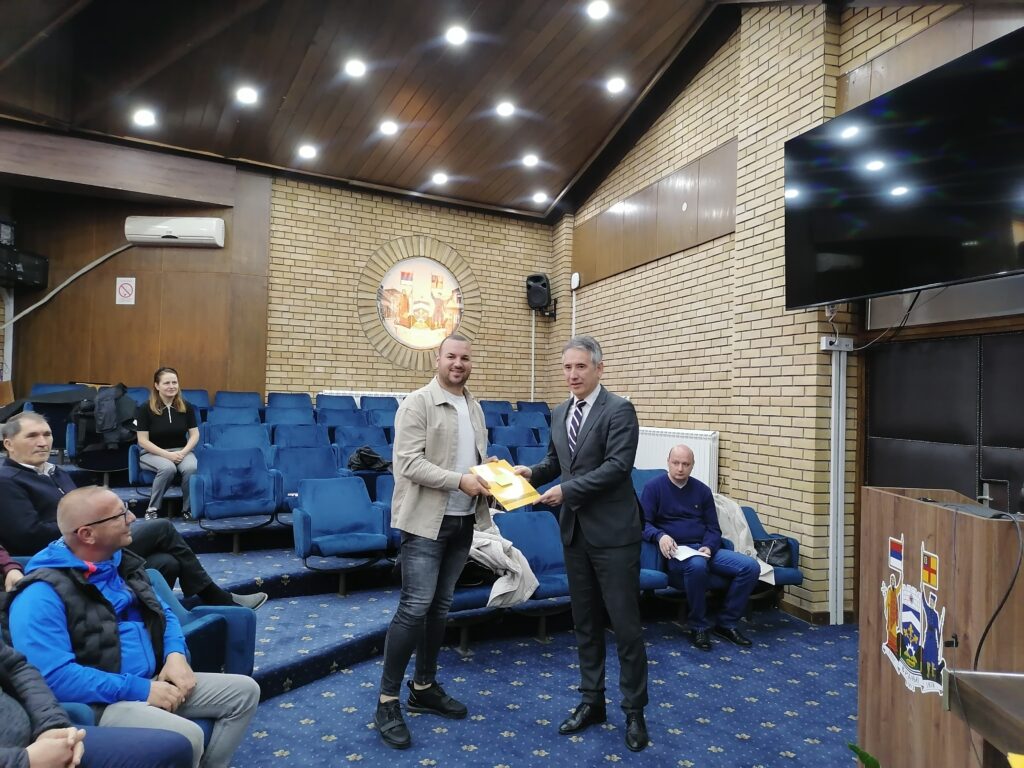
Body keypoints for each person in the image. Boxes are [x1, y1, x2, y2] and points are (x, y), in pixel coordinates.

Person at [7, 486, 261, 768]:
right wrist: (141, 689)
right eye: (120, 515)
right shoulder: (39, 595)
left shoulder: (119, 562)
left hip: (151, 679)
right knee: (187, 736)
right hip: (99, 703)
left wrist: (175, 654)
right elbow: (53, 678)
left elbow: (163, 612)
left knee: (244, 692)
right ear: (87, 534)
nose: (132, 518)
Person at [513, 335, 649, 753]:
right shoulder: (559, 412)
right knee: (585, 623)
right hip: (575, 533)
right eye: (567, 367)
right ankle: (593, 702)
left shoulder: (619, 409)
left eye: (580, 367)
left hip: (614, 535)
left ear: (599, 368)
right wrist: (530, 473)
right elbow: (557, 463)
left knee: (625, 627)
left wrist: (567, 492)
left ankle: (634, 711)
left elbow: (617, 468)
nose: (572, 375)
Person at [0, 412, 267, 610]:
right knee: (162, 527)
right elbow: (28, 536)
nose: (43, 442)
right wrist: (92, 526)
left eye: (47, 434)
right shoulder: (7, 480)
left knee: (166, 563)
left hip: (89, 542)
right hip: (65, 556)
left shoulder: (54, 472)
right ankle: (216, 597)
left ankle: (151, 616)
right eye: (32, 436)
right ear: (9, 444)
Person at [373, 333, 492, 750]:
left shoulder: (474, 406)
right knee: (414, 608)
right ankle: (387, 701)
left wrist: (491, 473)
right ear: (437, 360)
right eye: (451, 357)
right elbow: (407, 463)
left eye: (465, 358)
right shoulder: (417, 403)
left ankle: (423, 686)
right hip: (426, 523)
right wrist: (459, 480)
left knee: (440, 608)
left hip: (463, 521)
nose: (458, 364)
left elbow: (472, 461)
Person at [0, 633, 194, 768]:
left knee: (175, 747)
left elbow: (16, 666)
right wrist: (24, 761)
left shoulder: (121, 583)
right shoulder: (37, 596)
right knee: (188, 734)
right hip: (23, 756)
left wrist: (50, 725)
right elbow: (57, 676)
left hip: (39, 733)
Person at [640, 444, 759, 651]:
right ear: (668, 462)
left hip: (703, 549)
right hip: (675, 552)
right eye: (676, 463)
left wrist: (708, 547)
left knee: (750, 567)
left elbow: (713, 528)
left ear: (693, 465)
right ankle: (698, 626)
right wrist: (660, 536)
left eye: (685, 464)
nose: (680, 468)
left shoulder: (702, 491)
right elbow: (643, 524)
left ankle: (727, 623)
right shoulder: (653, 488)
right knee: (697, 565)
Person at [135, 368, 199, 520]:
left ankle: (188, 509)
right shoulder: (145, 408)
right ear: (157, 386)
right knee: (168, 468)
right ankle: (152, 509)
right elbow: (142, 440)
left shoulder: (186, 406)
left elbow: (195, 434)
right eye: (166, 383)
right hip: (152, 453)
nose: (171, 386)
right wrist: (167, 455)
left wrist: (183, 452)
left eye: (174, 382)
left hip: (181, 451)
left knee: (192, 468)